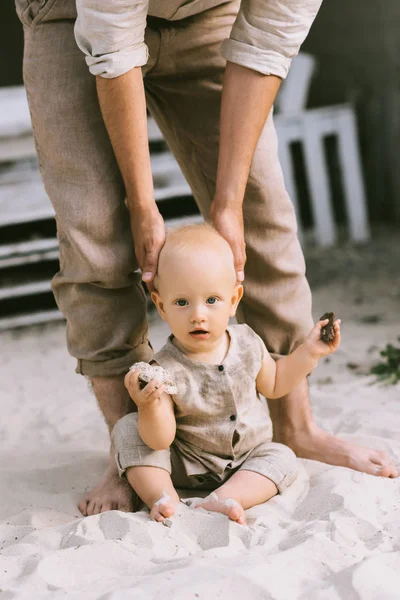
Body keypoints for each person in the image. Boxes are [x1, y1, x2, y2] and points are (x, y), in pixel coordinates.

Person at [15, 0, 398, 517]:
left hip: (214, 15)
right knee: (96, 239)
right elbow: (113, 48)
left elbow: (264, 46)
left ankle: (298, 429)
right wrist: (142, 204)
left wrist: (229, 203)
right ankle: (130, 453)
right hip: (72, 15)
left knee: (260, 216)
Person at [114, 224, 341, 525]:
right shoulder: (163, 368)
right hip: (186, 464)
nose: (198, 314)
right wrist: (149, 405)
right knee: (128, 430)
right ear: (161, 305)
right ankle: (163, 495)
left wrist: (309, 352)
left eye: (212, 300)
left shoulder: (247, 342)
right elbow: (160, 440)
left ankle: (228, 496)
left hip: (248, 457)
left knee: (283, 457)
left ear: (233, 300)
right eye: (182, 302)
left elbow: (275, 384)